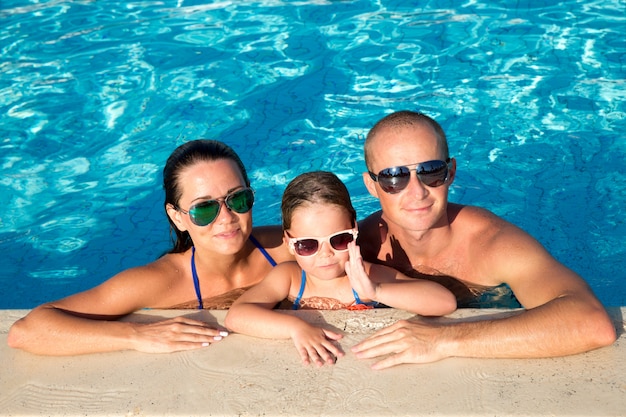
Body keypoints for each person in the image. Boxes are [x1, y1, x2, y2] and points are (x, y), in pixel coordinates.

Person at [351, 110, 617, 369]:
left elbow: (591, 322)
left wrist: (443, 339)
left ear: (450, 172)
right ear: (371, 185)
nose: (417, 191)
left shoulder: (492, 243)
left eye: (430, 171)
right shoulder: (354, 245)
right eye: (393, 177)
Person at [7, 140, 294, 355]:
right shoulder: (164, 281)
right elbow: (26, 331)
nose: (227, 218)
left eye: (238, 199)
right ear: (177, 217)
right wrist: (137, 335)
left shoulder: (288, 245)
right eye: (205, 209)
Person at [225, 171, 456, 367]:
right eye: (307, 245)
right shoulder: (290, 277)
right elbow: (237, 316)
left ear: (354, 229)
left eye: (339, 240)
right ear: (289, 243)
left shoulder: (366, 276)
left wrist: (377, 291)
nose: (326, 254)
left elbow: (444, 302)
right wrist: (296, 328)